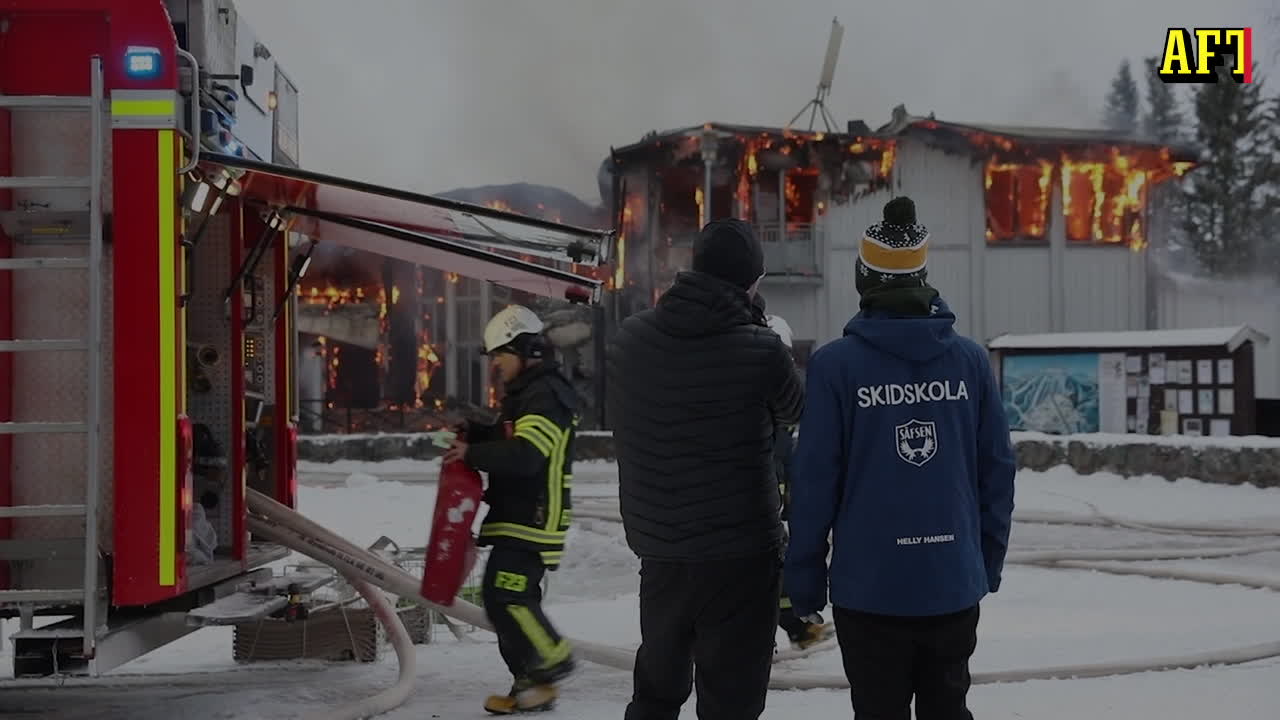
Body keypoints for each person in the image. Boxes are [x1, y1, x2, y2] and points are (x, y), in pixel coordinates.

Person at [783, 196, 1017, 719]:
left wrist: (803, 578)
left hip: (869, 588)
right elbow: (997, 471)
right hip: (951, 580)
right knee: (948, 708)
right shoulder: (970, 362)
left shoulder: (835, 367)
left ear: (864, 278)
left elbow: (815, 479)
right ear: (923, 277)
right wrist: (985, 561)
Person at [606, 218, 805, 720]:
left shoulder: (630, 340)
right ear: (752, 281)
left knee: (657, 686)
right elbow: (798, 411)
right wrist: (755, 324)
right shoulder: (762, 351)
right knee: (732, 699)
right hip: (742, 554)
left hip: (662, 548)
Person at [442, 304, 580, 715]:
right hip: (516, 514)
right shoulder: (527, 393)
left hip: (534, 517)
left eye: (500, 355)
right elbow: (509, 434)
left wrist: (472, 453)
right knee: (498, 597)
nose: (496, 365)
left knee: (508, 593)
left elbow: (525, 455)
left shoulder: (547, 395)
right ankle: (529, 685)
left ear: (525, 350)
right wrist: (474, 432)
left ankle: (552, 660)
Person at [764, 314, 833, 653]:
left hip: (771, 499)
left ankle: (796, 627)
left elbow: (788, 450)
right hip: (760, 500)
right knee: (770, 568)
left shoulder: (782, 395)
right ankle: (794, 629)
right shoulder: (769, 391)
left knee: (779, 565)